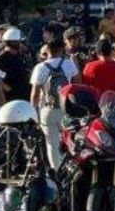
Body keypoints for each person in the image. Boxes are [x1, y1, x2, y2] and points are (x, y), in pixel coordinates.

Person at [31, 40, 80, 170]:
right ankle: (71, 170)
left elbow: (35, 95)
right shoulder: (69, 64)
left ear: (48, 51)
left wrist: (34, 113)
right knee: (70, 141)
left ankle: (56, 172)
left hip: (48, 110)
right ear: (61, 50)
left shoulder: (40, 67)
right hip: (67, 109)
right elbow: (78, 85)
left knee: (51, 144)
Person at [0, 28, 33, 103]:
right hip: (13, 99)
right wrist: (12, 91)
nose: (22, 44)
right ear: (13, 43)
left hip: (25, 97)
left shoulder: (21, 56)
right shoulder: (2, 58)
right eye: (20, 42)